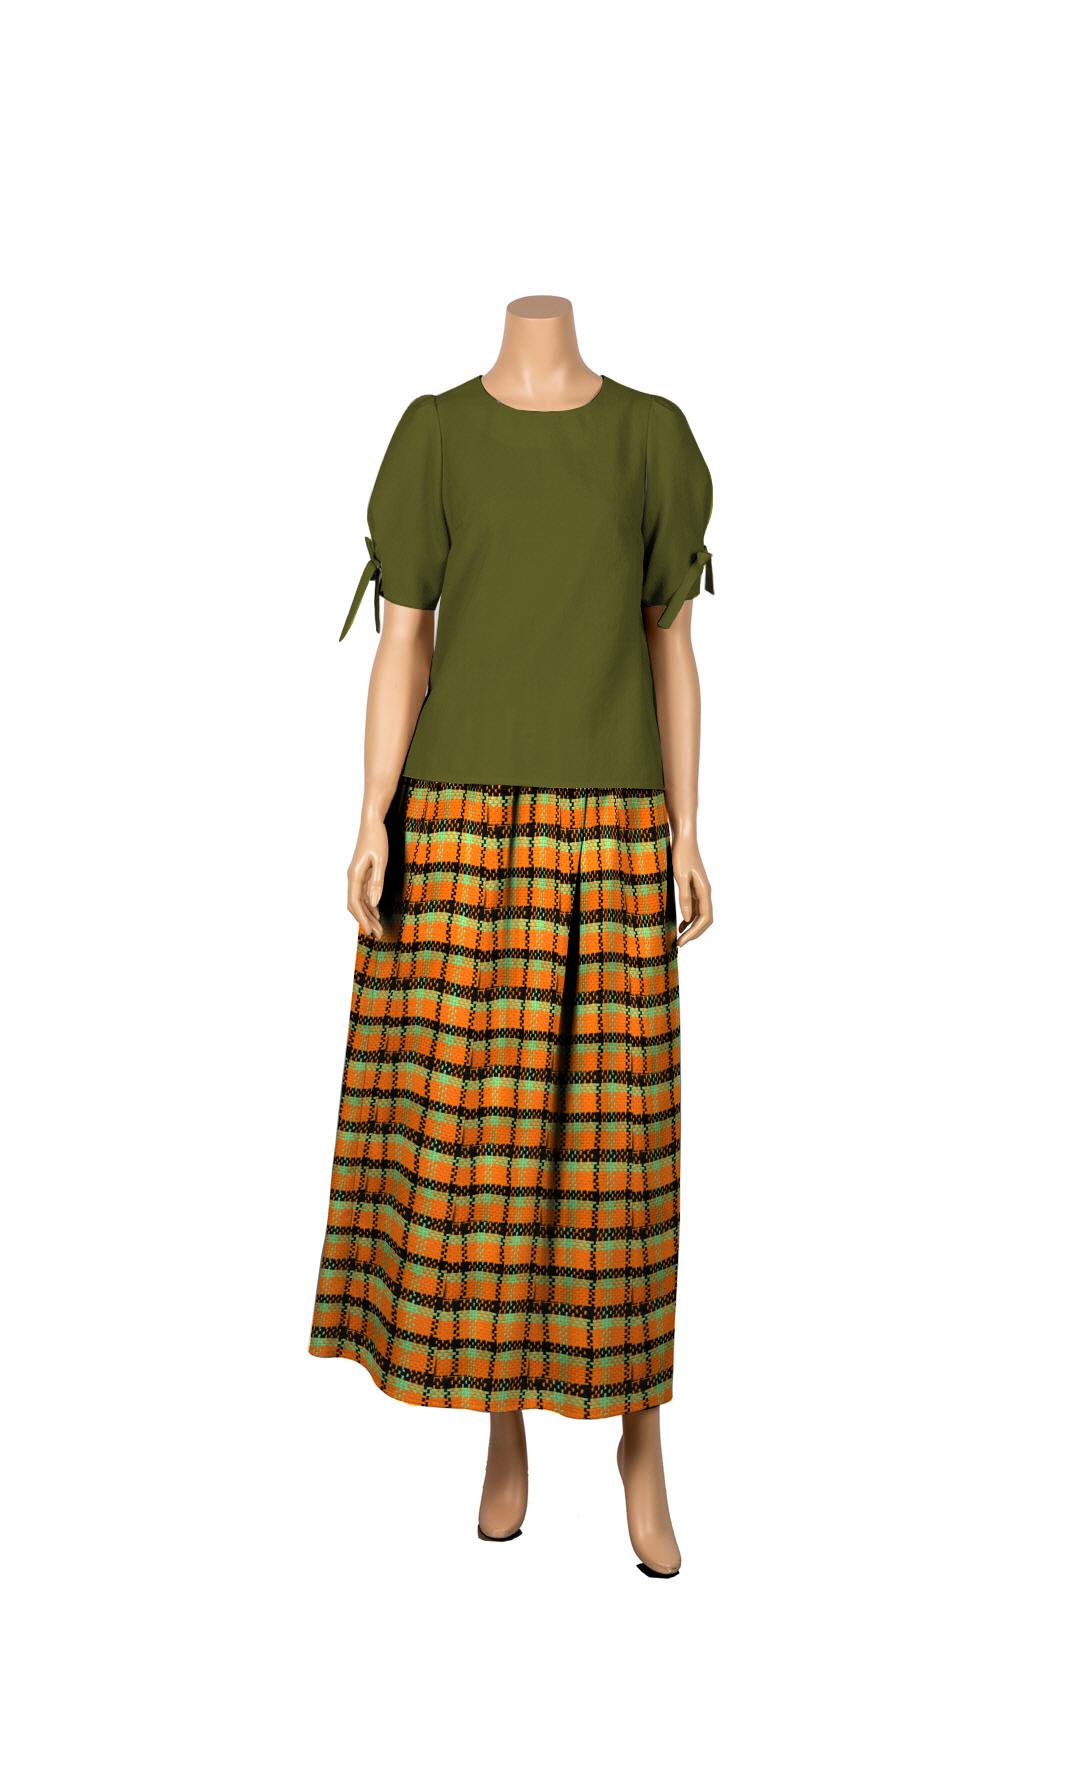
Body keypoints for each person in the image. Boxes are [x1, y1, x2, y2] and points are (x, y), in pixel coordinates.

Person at [309, 295, 715, 1577]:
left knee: (618, 1156)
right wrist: (372, 814)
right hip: (464, 833)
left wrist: (688, 827)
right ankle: (503, 1427)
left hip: (612, 828)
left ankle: (640, 1442)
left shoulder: (651, 438)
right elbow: (404, 645)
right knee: (484, 1156)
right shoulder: (436, 436)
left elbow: (671, 646)